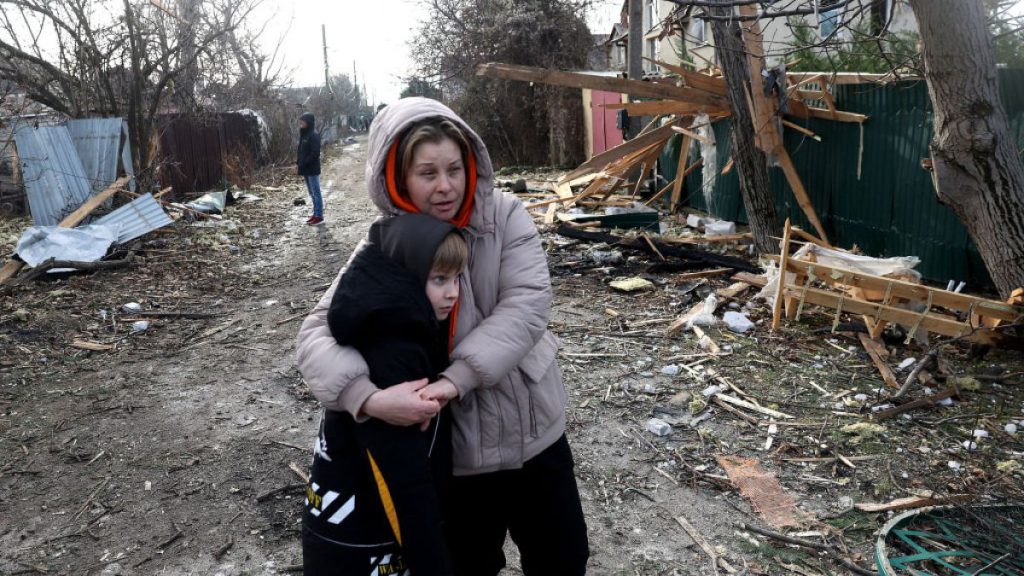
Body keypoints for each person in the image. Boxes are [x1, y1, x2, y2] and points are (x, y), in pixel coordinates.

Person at [297, 97, 589, 575]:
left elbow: (526, 306)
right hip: (454, 461)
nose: (446, 186)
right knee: (470, 565)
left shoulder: (505, 215)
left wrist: (454, 379)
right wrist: (367, 399)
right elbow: (316, 333)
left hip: (532, 435)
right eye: (427, 173)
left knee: (563, 558)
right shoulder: (385, 244)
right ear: (398, 175)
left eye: (454, 168)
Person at [302, 212, 465, 575]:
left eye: (457, 278)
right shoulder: (394, 356)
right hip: (363, 548)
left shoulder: (379, 323)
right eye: (439, 279)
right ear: (404, 276)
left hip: (340, 534)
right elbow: (402, 482)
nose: (453, 292)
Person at [297, 112, 323, 225]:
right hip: (305, 169)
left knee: (316, 192)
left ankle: (319, 215)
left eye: (303, 121)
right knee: (311, 193)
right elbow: (301, 152)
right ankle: (315, 213)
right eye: (300, 122)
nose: (301, 124)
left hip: (312, 169)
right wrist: (298, 163)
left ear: (308, 122)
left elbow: (315, 153)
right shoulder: (304, 135)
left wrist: (304, 163)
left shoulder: (313, 135)